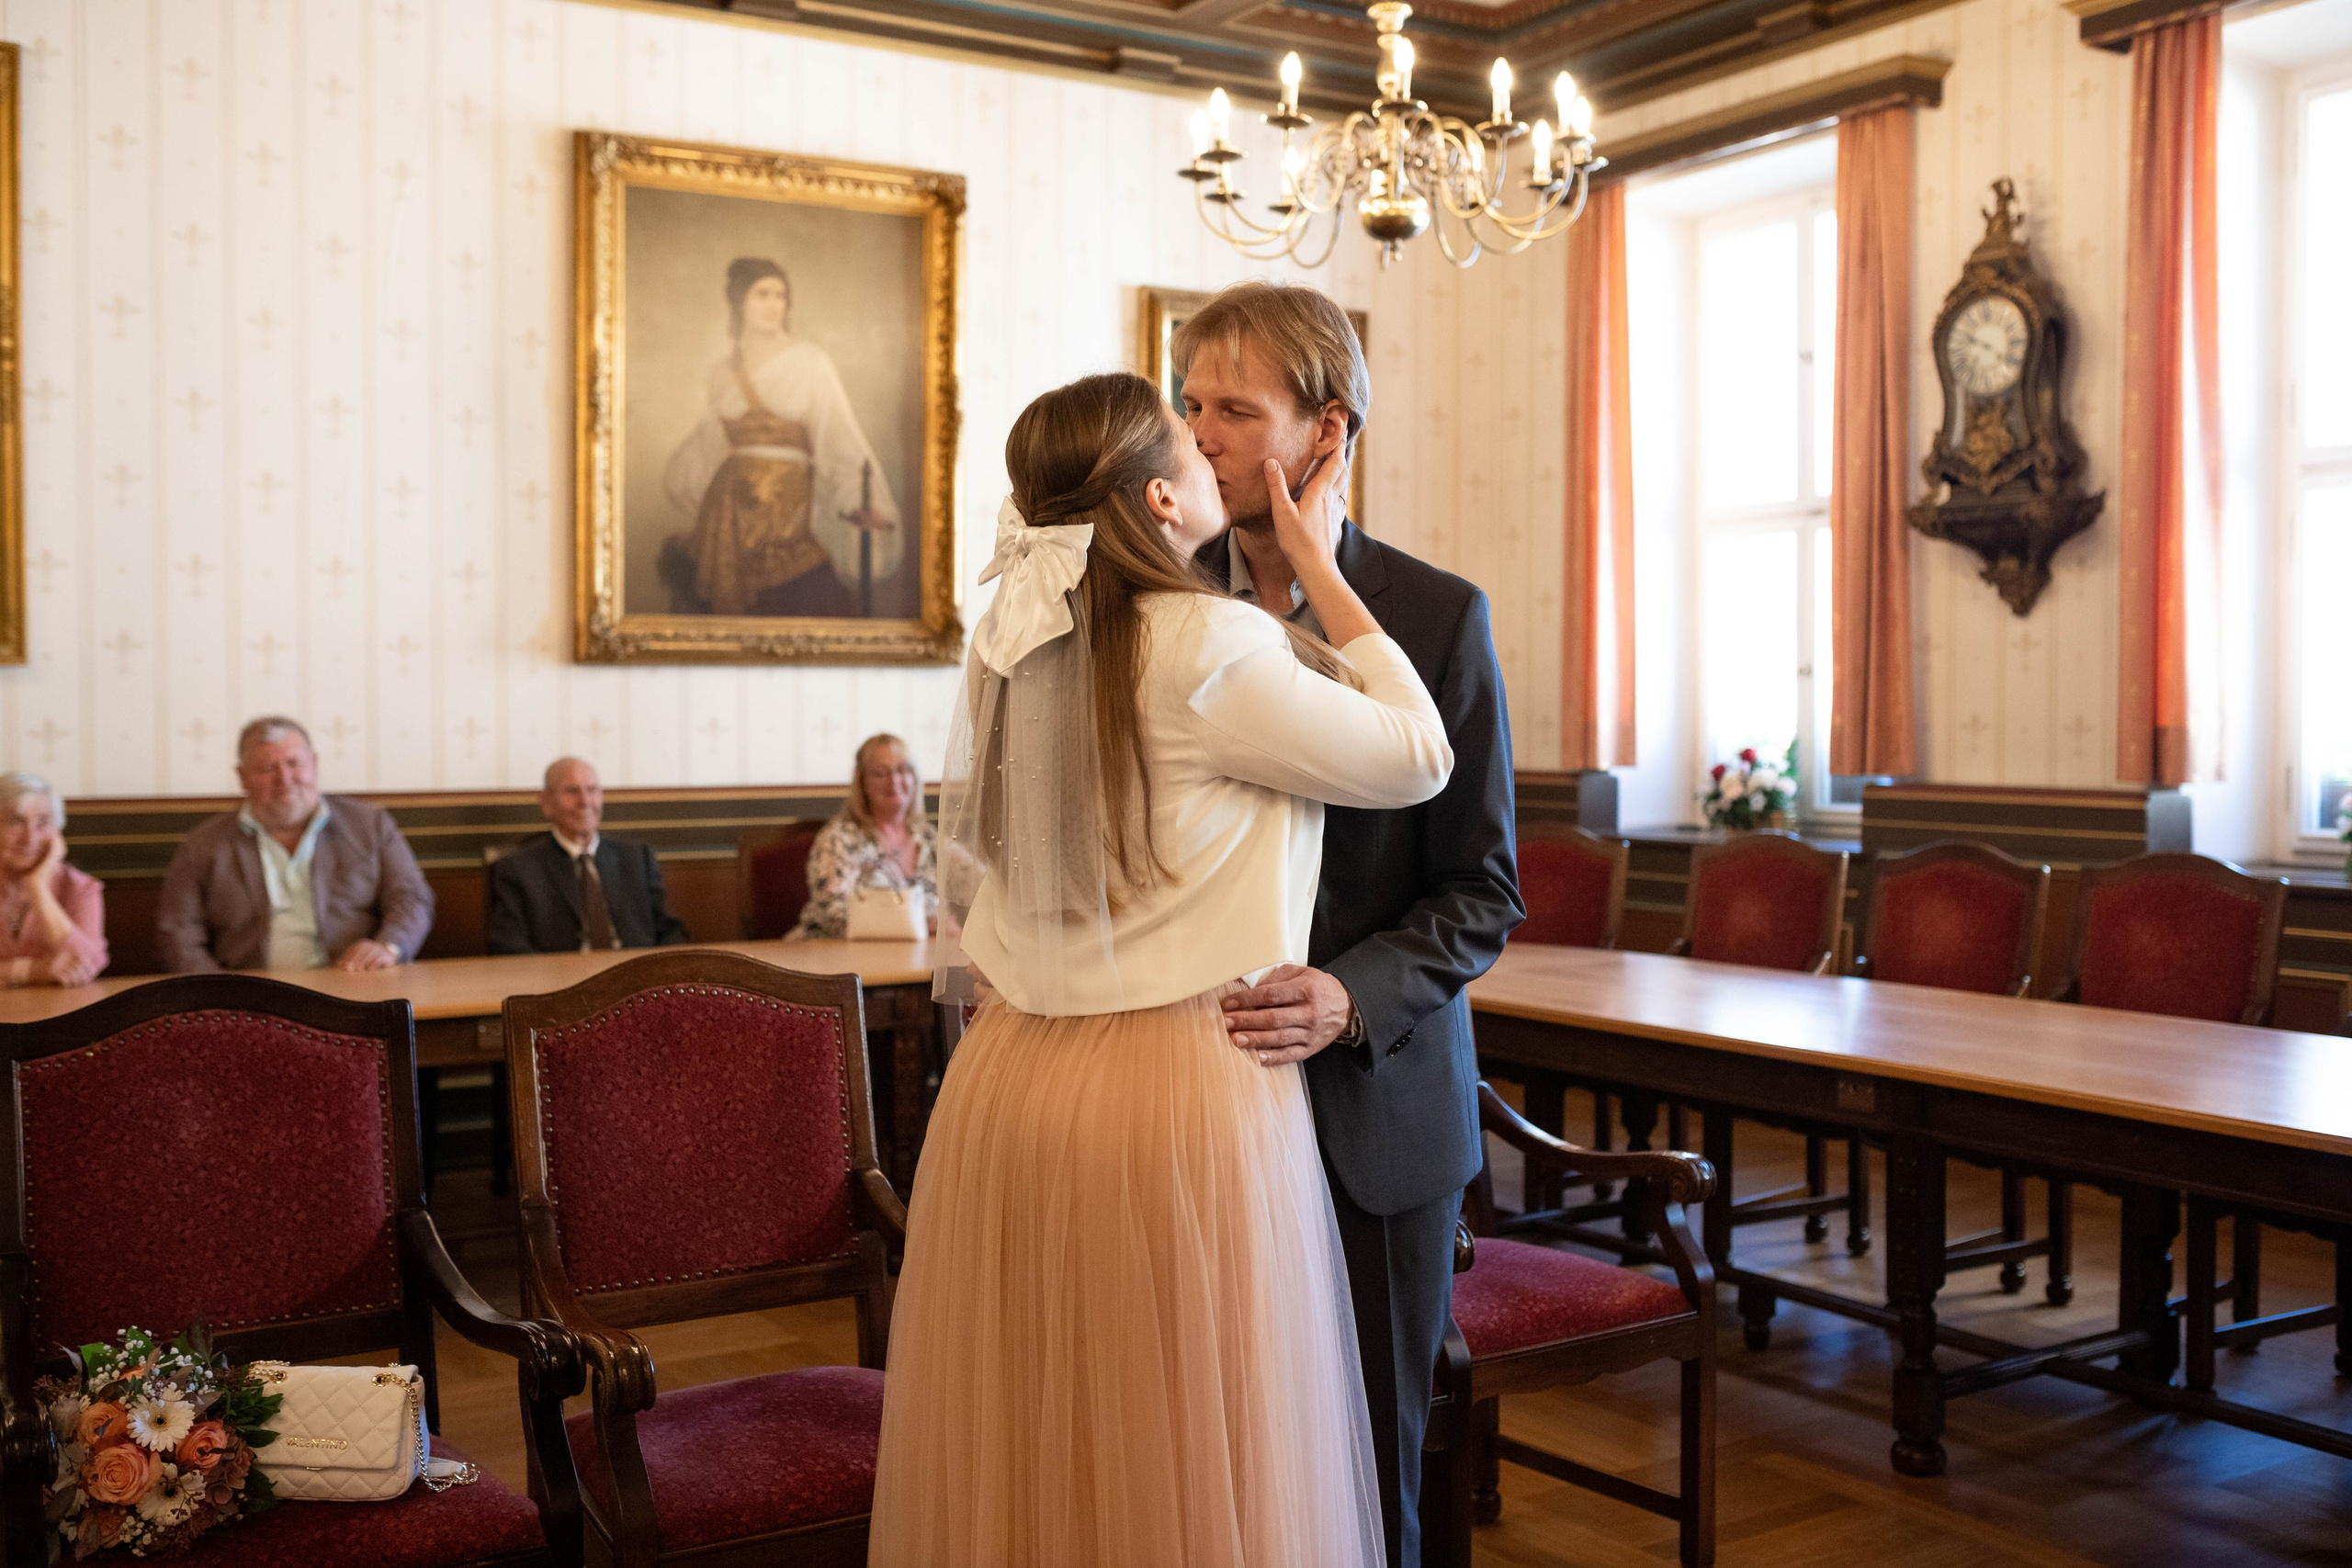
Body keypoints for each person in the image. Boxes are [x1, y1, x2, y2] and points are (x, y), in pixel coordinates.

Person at [869, 369, 1453, 1567]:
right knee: (1190, 1437)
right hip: (1177, 1082)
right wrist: (1323, 564)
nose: (1208, 452)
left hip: (1013, 1077)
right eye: (1190, 445)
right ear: (1162, 502)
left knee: (1048, 1428)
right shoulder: (1211, 643)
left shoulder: (1015, 638)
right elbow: (1418, 754)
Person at [1182, 279, 1523, 1568]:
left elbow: (1483, 889)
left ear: (1327, 432)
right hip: (1198, 1094)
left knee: (1373, 1450)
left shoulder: (1437, 616)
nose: (1200, 435)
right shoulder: (1164, 609)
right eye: (1190, 404)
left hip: (1376, 1102)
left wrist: (1350, 993)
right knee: (1218, 1442)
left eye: (1234, 408)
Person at [661, 257, 903, 617]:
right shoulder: (721, 373)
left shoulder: (808, 362)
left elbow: (838, 439)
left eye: (780, 296)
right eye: (762, 294)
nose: (774, 305)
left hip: (789, 521)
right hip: (727, 521)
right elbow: (704, 452)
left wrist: (857, 499)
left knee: (809, 603)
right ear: (740, 300)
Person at [154, 717, 435, 973]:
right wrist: (216, 992)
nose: (284, 779)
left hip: (356, 985)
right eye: (267, 768)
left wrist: (388, 946)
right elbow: (178, 932)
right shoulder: (203, 845)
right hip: (247, 999)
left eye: (294, 763)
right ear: (242, 777)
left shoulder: (370, 826)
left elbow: (412, 899)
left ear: (314, 764)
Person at [485, 758, 692, 954]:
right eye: (572, 791)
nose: (585, 801)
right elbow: (507, 944)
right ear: (546, 803)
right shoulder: (516, 868)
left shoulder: (637, 858)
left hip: (636, 979)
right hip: (559, 982)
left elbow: (670, 931)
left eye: (592, 790)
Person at [787, 733, 937, 941]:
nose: (893, 780)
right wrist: (922, 924)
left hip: (914, 960)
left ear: (915, 778)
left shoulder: (929, 838)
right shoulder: (839, 839)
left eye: (903, 770)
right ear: (862, 783)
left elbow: (980, 884)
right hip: (832, 958)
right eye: (880, 773)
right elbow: (833, 914)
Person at [0, 773, 108, 987]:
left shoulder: (82, 888)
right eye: (16, 822)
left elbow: (86, 964)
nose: (29, 838)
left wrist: (38, 887)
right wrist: (34, 970)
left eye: (43, 823)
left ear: (57, 832)